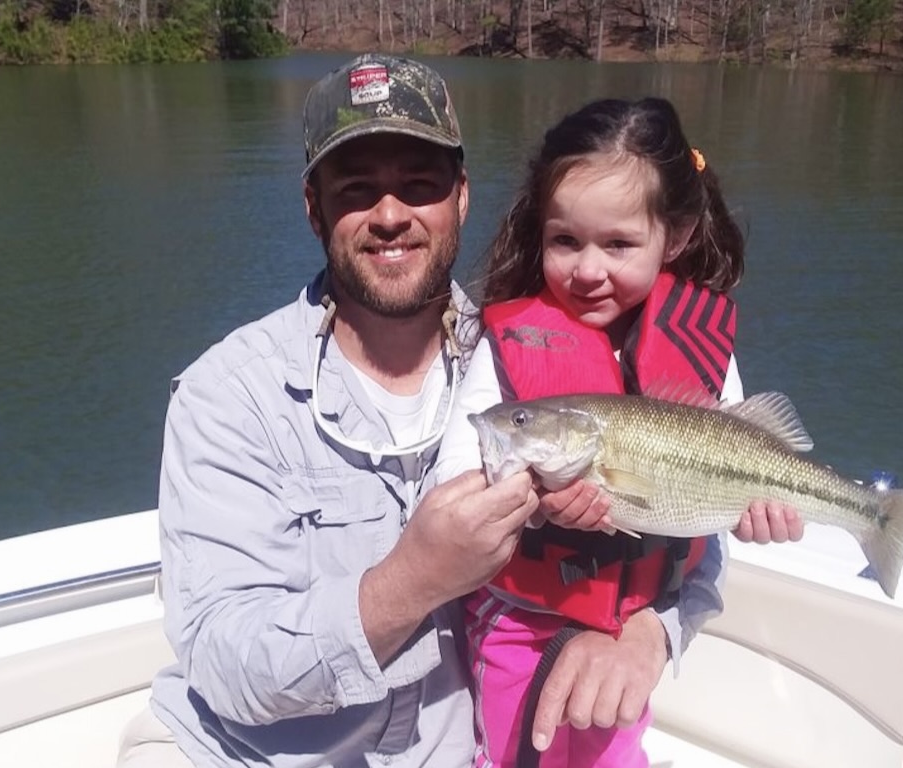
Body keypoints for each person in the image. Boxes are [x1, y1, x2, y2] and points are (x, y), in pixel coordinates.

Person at [117, 57, 799, 768]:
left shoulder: (522, 358)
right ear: (314, 207)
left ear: (461, 198)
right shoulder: (228, 396)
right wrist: (411, 581)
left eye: (420, 185)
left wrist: (645, 635)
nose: (389, 215)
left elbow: (692, 511)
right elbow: (225, 667)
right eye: (356, 190)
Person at [435, 97, 802, 768]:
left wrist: (759, 515)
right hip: (519, 625)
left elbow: (718, 498)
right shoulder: (508, 346)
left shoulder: (705, 353)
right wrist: (532, 507)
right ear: (538, 231)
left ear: (679, 235)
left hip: (632, 622)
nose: (588, 269)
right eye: (565, 240)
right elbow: (460, 474)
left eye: (620, 244)